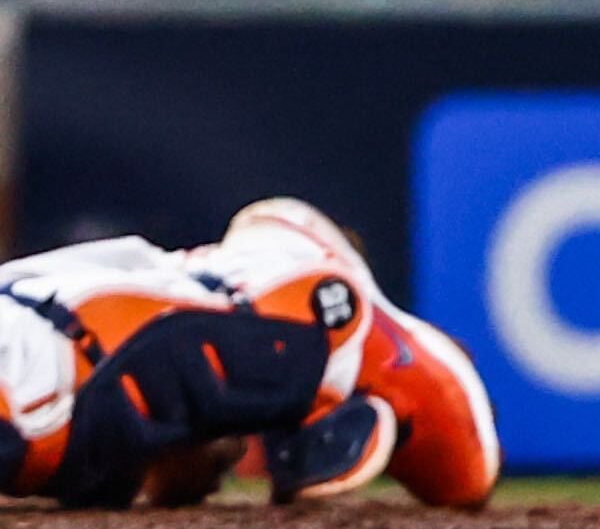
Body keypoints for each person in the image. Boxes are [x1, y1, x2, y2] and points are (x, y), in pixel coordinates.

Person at [0, 195, 497, 512]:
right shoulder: (315, 318)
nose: (233, 460)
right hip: (32, 364)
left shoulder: (166, 277)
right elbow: (462, 470)